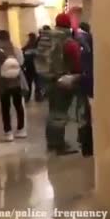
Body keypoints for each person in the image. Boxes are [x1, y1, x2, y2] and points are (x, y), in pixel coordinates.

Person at [38, 13, 81, 155]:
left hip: (47, 79)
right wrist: (77, 75)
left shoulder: (46, 37)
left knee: (52, 112)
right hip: (63, 80)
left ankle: (51, 142)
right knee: (60, 113)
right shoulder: (67, 41)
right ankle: (59, 145)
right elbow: (76, 61)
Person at [0, 30, 27, 141]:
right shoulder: (15, 49)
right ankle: (21, 130)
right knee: (18, 106)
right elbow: (21, 63)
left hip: (3, 83)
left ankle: (8, 132)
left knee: (5, 108)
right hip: (16, 82)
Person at [76, 22, 94, 157]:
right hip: (91, 83)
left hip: (85, 81)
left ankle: (86, 146)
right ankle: (88, 146)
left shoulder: (80, 41)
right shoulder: (89, 41)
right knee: (90, 116)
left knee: (85, 115)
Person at [22, 33, 43, 102]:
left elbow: (23, 56)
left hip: (28, 68)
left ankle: (27, 97)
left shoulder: (26, 47)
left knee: (29, 83)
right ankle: (38, 97)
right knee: (38, 83)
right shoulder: (38, 46)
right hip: (37, 67)